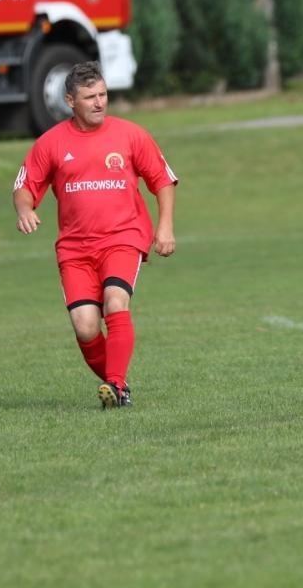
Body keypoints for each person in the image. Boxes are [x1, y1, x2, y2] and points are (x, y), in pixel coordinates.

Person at [12, 61, 178, 408]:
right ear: (71, 101)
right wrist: (25, 209)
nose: (100, 102)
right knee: (85, 326)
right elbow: (25, 187)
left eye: (103, 94)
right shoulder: (51, 143)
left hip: (123, 236)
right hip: (75, 248)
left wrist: (164, 227)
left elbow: (162, 179)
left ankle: (114, 386)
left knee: (115, 301)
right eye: (90, 97)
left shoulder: (131, 135)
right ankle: (119, 385)